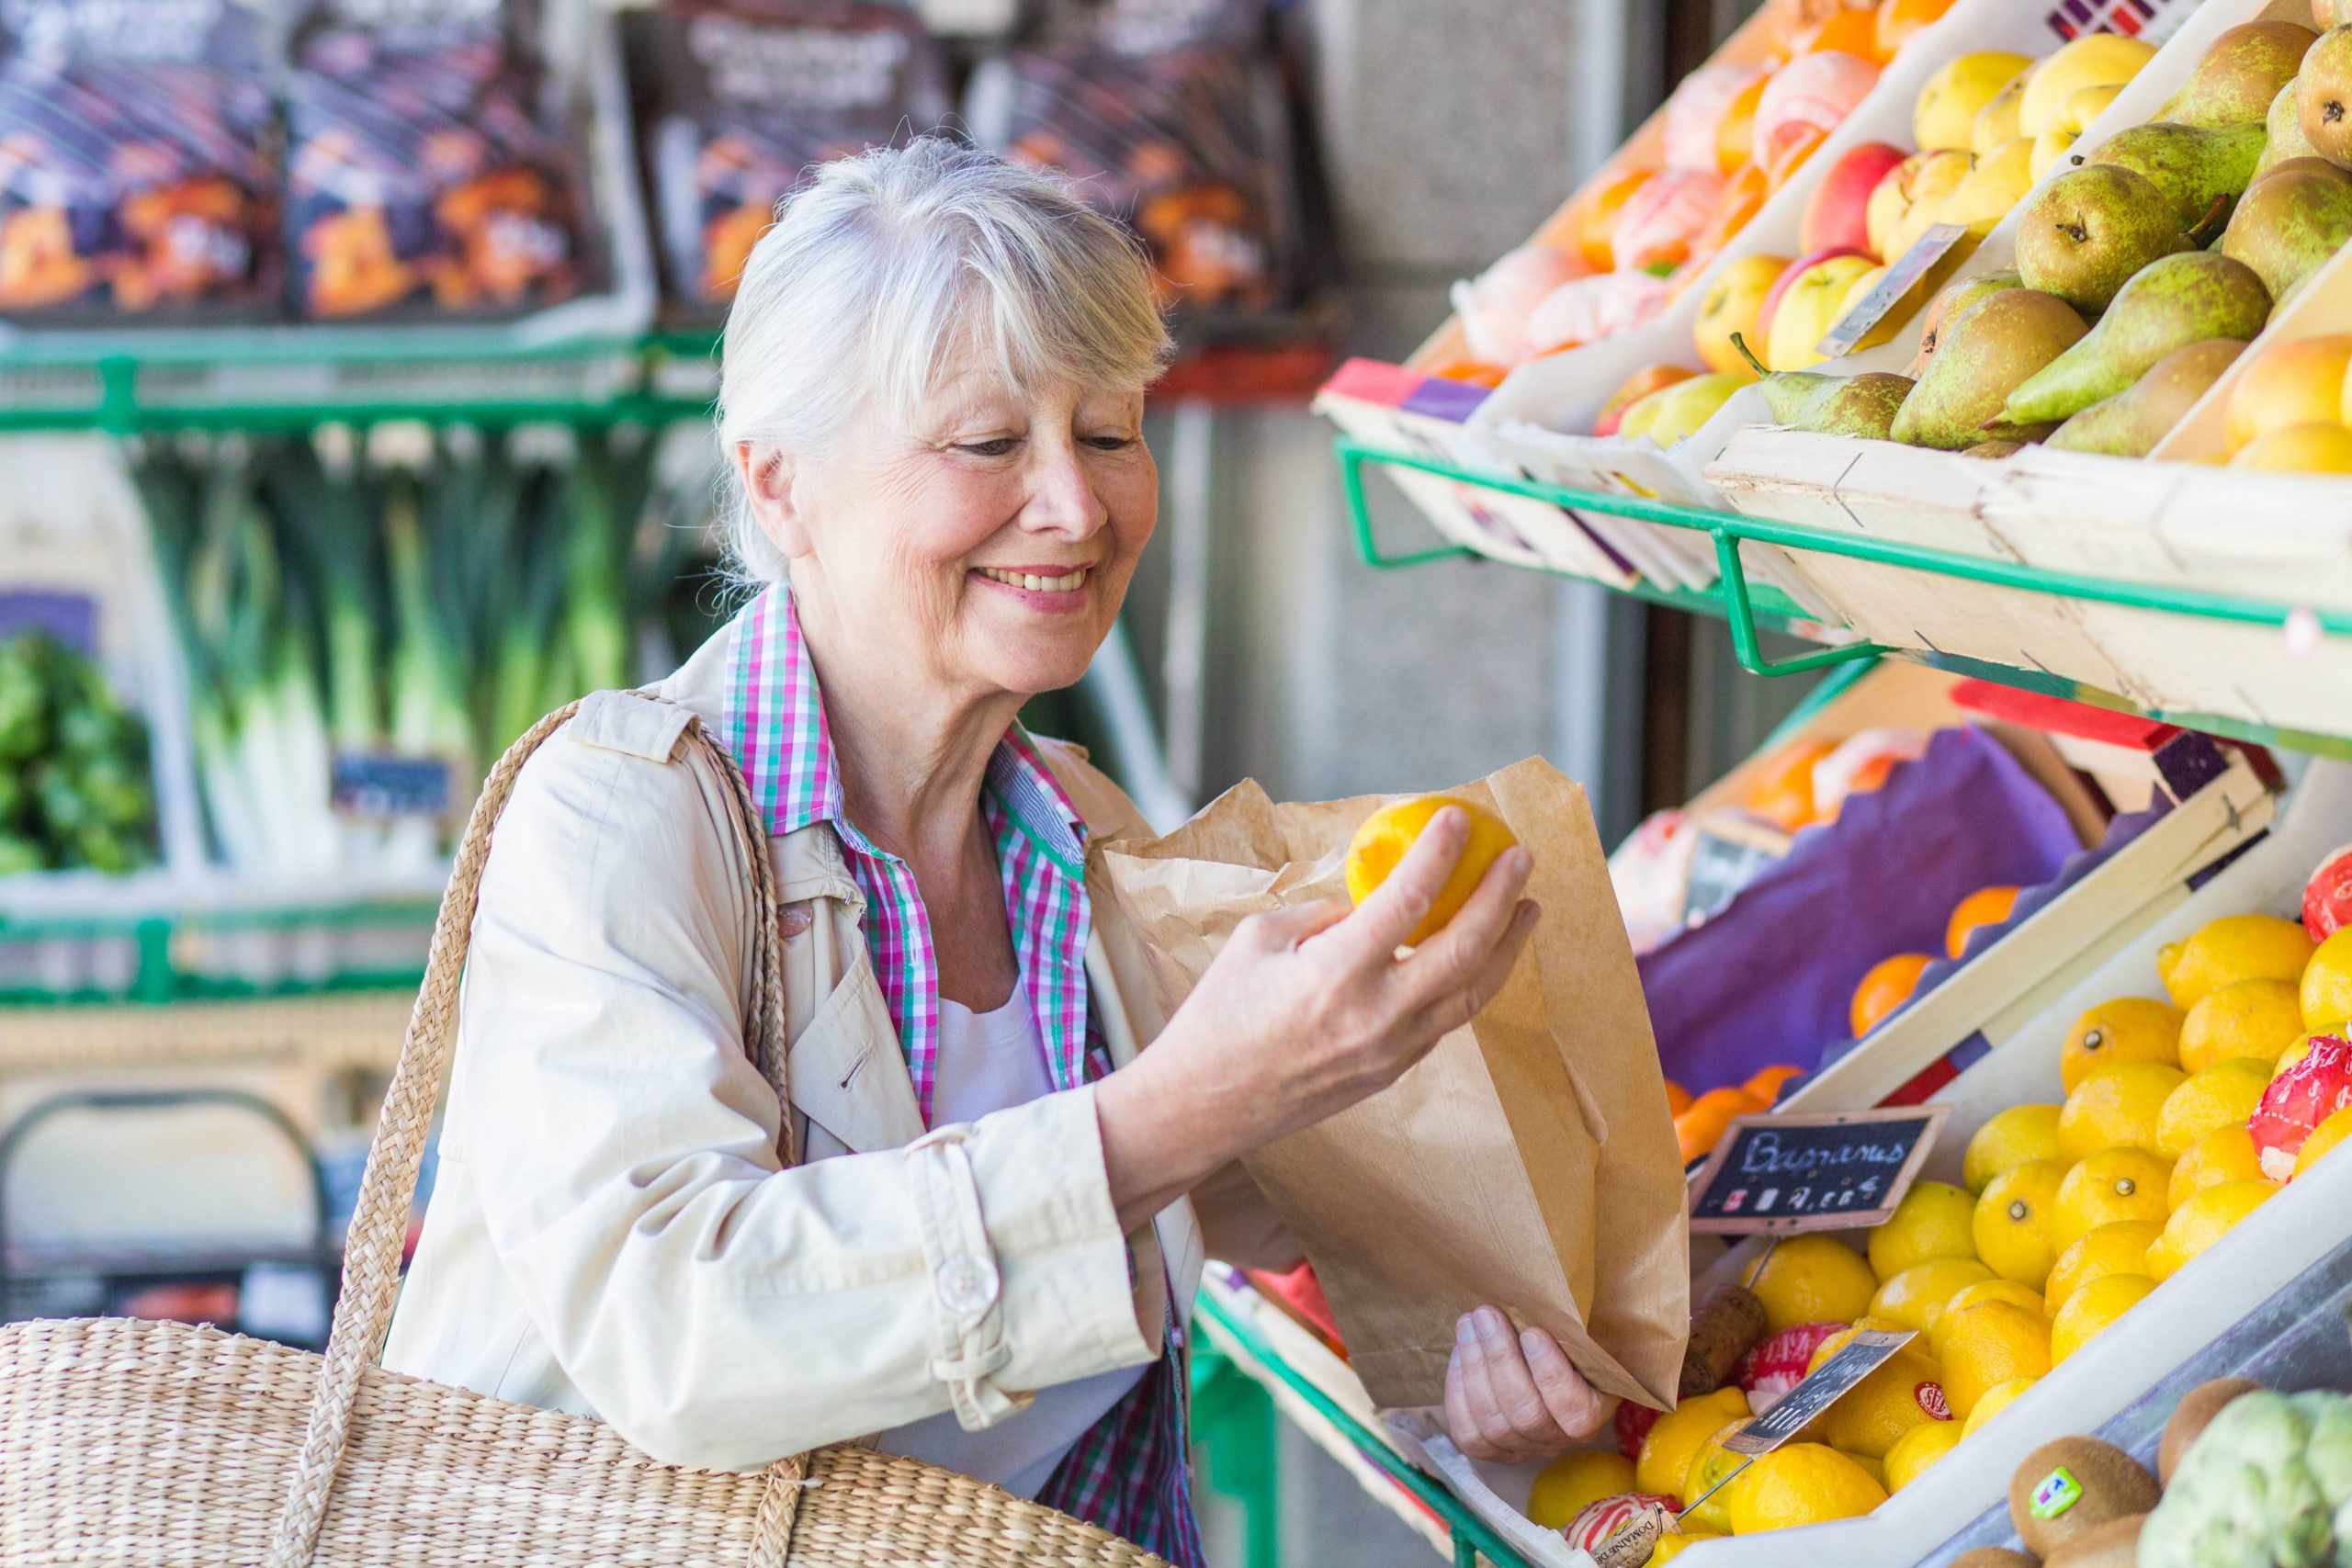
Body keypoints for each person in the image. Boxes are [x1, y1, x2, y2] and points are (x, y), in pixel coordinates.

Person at [382, 137, 1609, 1564]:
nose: (1077, 509)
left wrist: (1478, 1361)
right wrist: (1184, 1107)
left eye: (1107, 432)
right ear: (778, 486)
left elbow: (1259, 1205)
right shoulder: (618, 817)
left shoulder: (1079, 832)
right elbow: (675, 1334)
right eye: (987, 444)